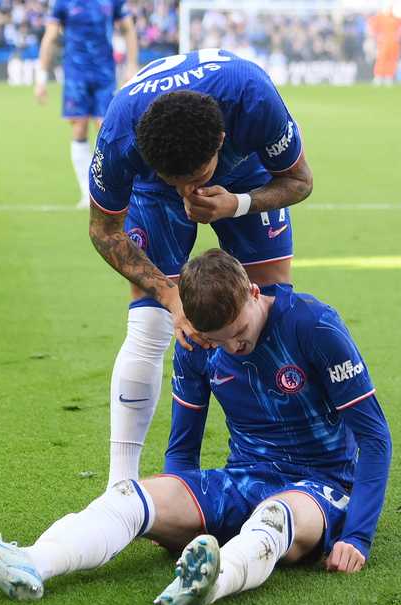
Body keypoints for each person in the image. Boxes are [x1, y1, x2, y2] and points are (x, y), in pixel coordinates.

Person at [0, 250, 391, 605]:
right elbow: (183, 446)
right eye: (219, 341)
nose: (233, 346)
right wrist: (179, 511)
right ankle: (29, 562)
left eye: (239, 333)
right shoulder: (196, 345)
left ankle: (210, 584)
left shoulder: (313, 325)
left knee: (273, 519)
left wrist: (357, 537)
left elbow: (374, 437)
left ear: (254, 292)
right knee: (129, 498)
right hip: (244, 476)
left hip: (322, 485)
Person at [87, 49, 313, 486]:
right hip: (152, 191)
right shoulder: (121, 133)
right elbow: (103, 230)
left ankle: (284, 459)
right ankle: (119, 485)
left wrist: (237, 204)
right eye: (181, 182)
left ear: (220, 141)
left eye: (198, 175)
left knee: (267, 311)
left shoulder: (253, 97)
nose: (190, 190)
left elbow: (300, 182)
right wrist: (170, 296)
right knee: (151, 323)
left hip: (246, 178)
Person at [35, 0, 139, 208]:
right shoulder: (62, 3)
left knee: (107, 130)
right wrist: (41, 77)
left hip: (105, 74)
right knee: (79, 128)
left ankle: (112, 190)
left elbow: (128, 29)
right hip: (75, 75)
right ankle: (87, 192)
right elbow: (50, 37)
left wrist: (132, 66)